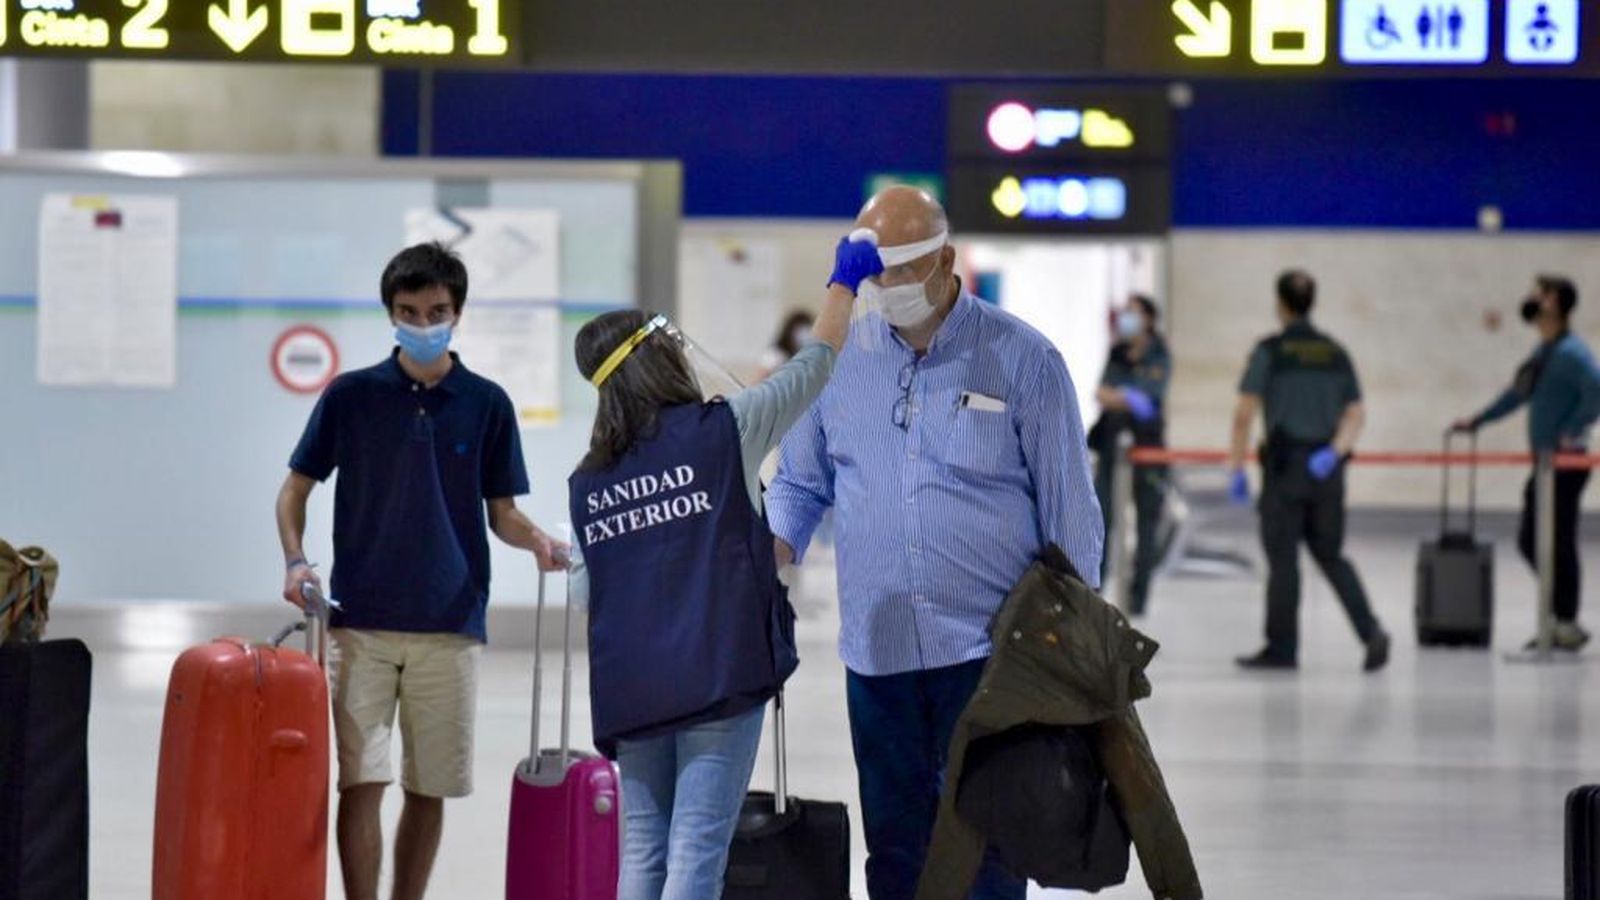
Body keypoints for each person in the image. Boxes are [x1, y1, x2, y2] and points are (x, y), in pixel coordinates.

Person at [765, 186, 1103, 900]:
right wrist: (762, 563)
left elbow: (1071, 509)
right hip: (878, 647)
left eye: (899, 270)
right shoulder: (835, 364)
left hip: (991, 652)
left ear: (946, 259)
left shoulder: (1024, 358)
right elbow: (799, 486)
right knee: (895, 841)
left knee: (991, 842)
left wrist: (1069, 643)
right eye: (869, 272)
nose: (884, 288)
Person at [565, 235, 870, 900]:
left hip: (632, 687)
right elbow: (814, 365)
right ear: (660, 362)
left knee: (643, 852)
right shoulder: (723, 429)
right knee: (698, 851)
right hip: (717, 673)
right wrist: (843, 284)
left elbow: (586, 589)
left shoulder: (588, 480)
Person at [276, 243, 569, 900]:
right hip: (360, 621)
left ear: (457, 313)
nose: (423, 322)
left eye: (436, 310)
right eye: (408, 311)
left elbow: (503, 514)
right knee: (361, 781)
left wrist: (542, 544)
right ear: (391, 313)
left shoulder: (487, 403)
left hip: (451, 622)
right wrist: (296, 560)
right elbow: (294, 489)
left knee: (427, 787)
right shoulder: (350, 396)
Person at [1229, 270, 1390, 673]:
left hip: (1284, 470)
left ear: (1280, 304)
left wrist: (1236, 469)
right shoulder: (1336, 353)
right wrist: (1335, 452)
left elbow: (1244, 414)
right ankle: (1371, 632)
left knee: (1284, 563)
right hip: (1326, 470)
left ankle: (1282, 649)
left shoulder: (1271, 351)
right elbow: (1356, 413)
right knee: (1331, 555)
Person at [1453, 276, 1600, 651]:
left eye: (1540, 295)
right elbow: (1518, 393)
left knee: (1553, 538)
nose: (1532, 300)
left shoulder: (1572, 353)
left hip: (1567, 461)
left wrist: (1570, 429)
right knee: (1538, 538)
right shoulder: (1545, 351)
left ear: (1556, 305)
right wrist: (1479, 420)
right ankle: (1561, 617)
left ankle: (1564, 621)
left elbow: (1596, 392)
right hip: (1547, 462)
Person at [1090, 294, 1172, 616]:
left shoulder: (1159, 354)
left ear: (1149, 320)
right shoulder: (1118, 353)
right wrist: (1126, 396)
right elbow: (1101, 393)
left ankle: (1137, 599)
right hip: (1112, 445)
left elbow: (1149, 399)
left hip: (1147, 448)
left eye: (1133, 313)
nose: (1127, 318)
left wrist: (1120, 395)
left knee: (1147, 522)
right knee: (1103, 515)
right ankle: (1096, 589)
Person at [759, 309, 817, 378]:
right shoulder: (775, 355)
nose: (803, 337)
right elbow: (760, 379)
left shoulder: (804, 357)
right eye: (799, 331)